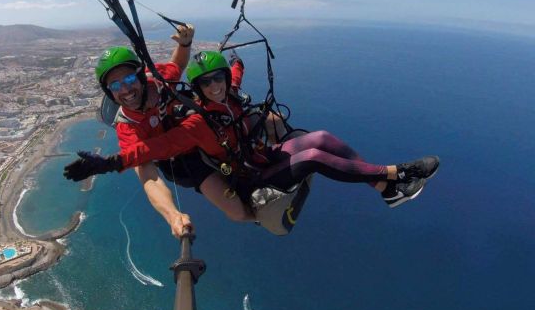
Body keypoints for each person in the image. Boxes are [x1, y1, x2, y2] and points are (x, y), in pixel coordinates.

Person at [66, 51, 439, 223]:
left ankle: (385, 192)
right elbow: (156, 149)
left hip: (263, 156)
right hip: (249, 175)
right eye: (206, 83)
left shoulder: (226, 95)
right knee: (312, 159)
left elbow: (231, 75)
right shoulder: (194, 125)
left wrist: (236, 60)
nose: (214, 86)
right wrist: (109, 162)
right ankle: (395, 174)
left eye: (219, 80)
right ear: (196, 90)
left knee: (322, 137)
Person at [90, 24, 230, 239]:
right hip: (183, 162)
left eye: (128, 80)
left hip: (194, 134)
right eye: (116, 86)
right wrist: (172, 215)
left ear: (139, 77)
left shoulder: (158, 81)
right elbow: (148, 175)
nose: (125, 90)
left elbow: (177, 64)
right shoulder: (127, 126)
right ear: (109, 92)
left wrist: (185, 44)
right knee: (236, 211)